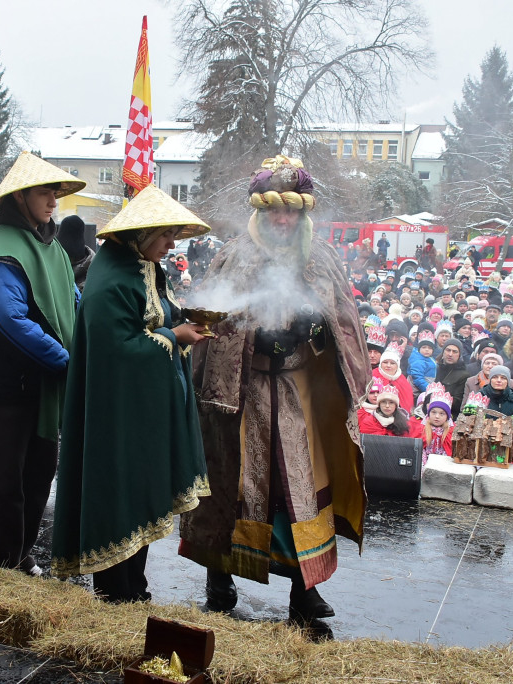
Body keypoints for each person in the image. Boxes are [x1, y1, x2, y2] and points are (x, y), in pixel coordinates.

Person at [179, 156, 371, 629]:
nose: (284, 220)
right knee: (233, 486)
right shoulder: (233, 255)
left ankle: (304, 590)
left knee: (299, 489)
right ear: (260, 211)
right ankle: (218, 576)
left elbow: (345, 322)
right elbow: (209, 319)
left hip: (300, 391)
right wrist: (253, 338)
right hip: (242, 393)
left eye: (292, 211)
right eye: (275, 211)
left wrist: (316, 331)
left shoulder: (321, 257)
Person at [52, 185, 211, 602]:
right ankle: (115, 594)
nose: (172, 244)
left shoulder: (146, 268)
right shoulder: (110, 281)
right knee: (119, 496)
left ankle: (134, 589)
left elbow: (156, 319)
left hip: (144, 410)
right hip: (117, 415)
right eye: (166, 234)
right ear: (142, 234)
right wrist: (174, 336)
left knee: (141, 497)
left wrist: (188, 324)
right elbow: (117, 351)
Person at [0, 152, 85, 574]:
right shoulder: (0, 249)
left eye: (56, 193)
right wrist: (65, 360)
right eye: (45, 193)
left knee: (39, 476)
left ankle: (21, 555)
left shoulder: (52, 248)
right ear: (20, 196)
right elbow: (5, 317)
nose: (53, 202)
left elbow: (75, 304)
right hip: (8, 388)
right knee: (4, 482)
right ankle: (0, 568)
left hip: (44, 385)